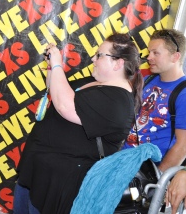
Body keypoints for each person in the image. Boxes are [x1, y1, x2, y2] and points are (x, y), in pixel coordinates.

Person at [14, 33, 142, 214]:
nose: (93, 59)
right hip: (39, 174)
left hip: (59, 188)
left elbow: (65, 106)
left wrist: (58, 64)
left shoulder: (118, 100)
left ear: (118, 63)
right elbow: (57, 90)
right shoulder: (96, 82)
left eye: (99, 55)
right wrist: (52, 67)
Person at [122, 29, 186, 173]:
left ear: (175, 56)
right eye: (149, 52)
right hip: (123, 161)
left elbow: (183, 146)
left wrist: (156, 182)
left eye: (155, 53)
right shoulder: (148, 80)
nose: (149, 57)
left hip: (146, 173)